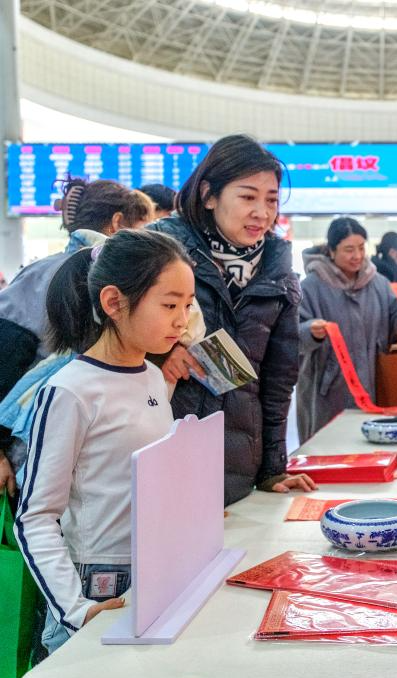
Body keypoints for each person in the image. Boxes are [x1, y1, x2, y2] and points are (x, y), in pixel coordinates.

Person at [15, 229, 194, 653]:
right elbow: (35, 517)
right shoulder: (70, 391)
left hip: (152, 567)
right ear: (113, 303)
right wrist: (76, 609)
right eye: (169, 305)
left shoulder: (153, 377)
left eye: (187, 305)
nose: (182, 321)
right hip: (93, 581)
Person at [153, 135, 315, 505]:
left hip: (238, 466)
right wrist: (159, 355)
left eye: (271, 200)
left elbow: (277, 381)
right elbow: (100, 333)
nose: (262, 212)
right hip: (162, 452)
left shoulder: (278, 271)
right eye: (247, 197)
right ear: (209, 195)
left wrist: (273, 468)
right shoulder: (158, 250)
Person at [0, 178, 154, 494]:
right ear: (117, 223)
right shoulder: (65, 276)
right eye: (142, 230)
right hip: (37, 454)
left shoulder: (39, 272)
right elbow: (5, 363)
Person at [296, 217, 397, 441]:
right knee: (329, 449)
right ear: (332, 251)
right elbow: (290, 338)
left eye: (361, 248)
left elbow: (396, 327)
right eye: (349, 249)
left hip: (373, 386)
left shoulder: (378, 283)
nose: (357, 256)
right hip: (327, 393)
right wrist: (311, 331)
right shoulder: (310, 287)